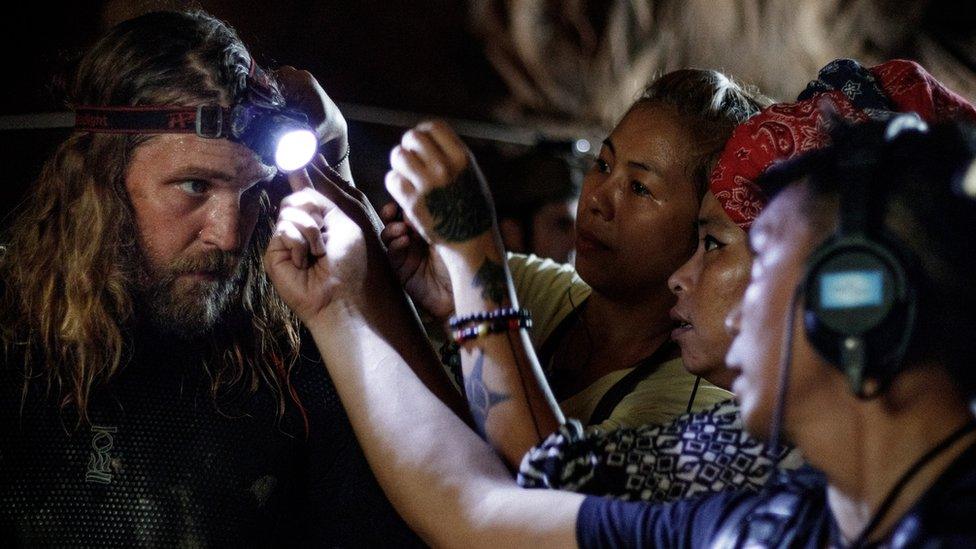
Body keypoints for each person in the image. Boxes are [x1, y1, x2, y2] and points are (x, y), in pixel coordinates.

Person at [264, 60, 976, 547]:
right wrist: (337, 307)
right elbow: (474, 510)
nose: (685, 279)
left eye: (728, 249)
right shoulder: (765, 525)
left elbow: (529, 480)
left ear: (855, 296)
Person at [0, 11, 436, 546]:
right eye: (194, 186)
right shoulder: (11, 344)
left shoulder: (292, 360)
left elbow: (447, 511)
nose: (229, 235)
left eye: (254, 193)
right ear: (101, 180)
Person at [381, 69, 770, 433]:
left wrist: (473, 263)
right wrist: (444, 285)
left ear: (703, 226)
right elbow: (454, 284)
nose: (598, 198)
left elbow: (550, 483)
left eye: (639, 188)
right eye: (603, 164)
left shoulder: (698, 406)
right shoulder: (543, 291)